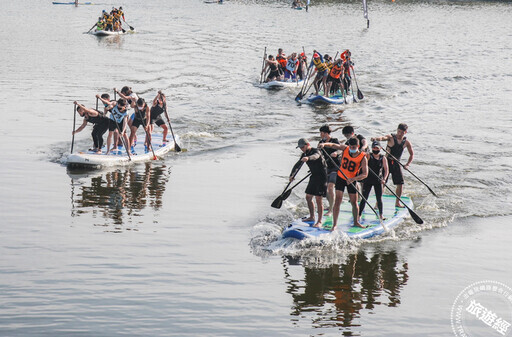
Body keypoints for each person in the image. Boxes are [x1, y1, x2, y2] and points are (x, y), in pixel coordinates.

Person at [319, 137, 368, 230]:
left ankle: (356, 222)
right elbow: (334, 145)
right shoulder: (345, 148)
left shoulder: (363, 157)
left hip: (352, 180)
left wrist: (353, 179)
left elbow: (365, 174)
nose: (351, 148)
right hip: (341, 178)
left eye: (354, 147)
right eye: (350, 146)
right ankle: (334, 225)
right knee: (338, 201)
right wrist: (324, 144)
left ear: (358, 146)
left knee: (354, 202)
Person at [371, 123, 414, 207]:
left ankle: (397, 202)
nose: (399, 134)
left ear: (405, 132)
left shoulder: (407, 143)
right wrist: (375, 139)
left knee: (400, 184)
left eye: (401, 132)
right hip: (386, 162)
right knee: (382, 183)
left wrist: (407, 164)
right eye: (398, 131)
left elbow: (411, 155)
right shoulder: (390, 138)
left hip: (396, 164)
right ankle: (377, 203)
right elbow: (382, 138)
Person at [290, 138, 327, 227]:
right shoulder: (304, 154)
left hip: (322, 177)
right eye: (300, 148)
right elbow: (297, 165)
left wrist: (308, 158)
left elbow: (316, 156)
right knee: (308, 197)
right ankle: (312, 216)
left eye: (302, 147)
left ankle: (319, 221)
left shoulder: (316, 151)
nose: (301, 149)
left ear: (308, 144)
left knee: (318, 199)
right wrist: (292, 175)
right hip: (314, 176)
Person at [359, 141, 389, 220]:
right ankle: (359, 215)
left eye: (377, 148)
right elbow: (361, 158)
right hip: (368, 180)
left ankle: (381, 215)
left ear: (380, 148)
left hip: (378, 180)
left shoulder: (383, 158)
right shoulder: (368, 156)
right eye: (374, 148)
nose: (375, 149)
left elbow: (386, 170)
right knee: (364, 198)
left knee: (379, 198)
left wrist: (384, 179)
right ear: (372, 148)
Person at [317, 125, 340, 216]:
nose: (320, 135)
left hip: (335, 167)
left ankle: (331, 210)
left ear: (326, 133)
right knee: (324, 189)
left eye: (321, 133)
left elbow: (341, 150)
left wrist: (336, 153)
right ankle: (332, 204)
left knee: (330, 188)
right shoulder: (320, 142)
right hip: (325, 168)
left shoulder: (334, 141)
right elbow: (318, 154)